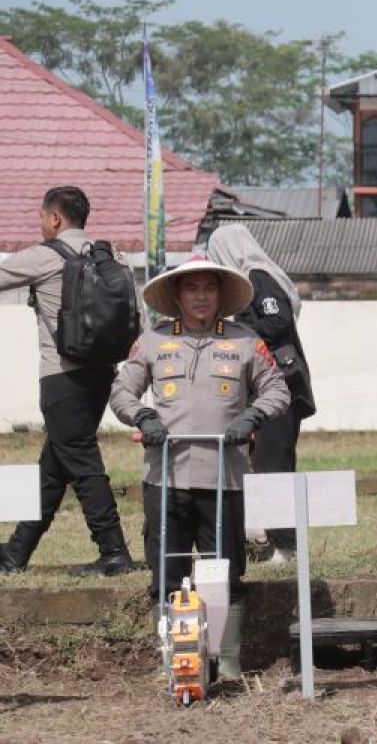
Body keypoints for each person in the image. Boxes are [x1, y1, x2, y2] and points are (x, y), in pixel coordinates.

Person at [110, 257, 290, 678]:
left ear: (221, 296)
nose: (201, 297)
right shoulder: (153, 340)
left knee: (224, 570)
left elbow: (277, 390)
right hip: (165, 477)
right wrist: (143, 417)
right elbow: (121, 391)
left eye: (209, 288)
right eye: (192, 289)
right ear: (177, 296)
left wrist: (253, 417)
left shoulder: (245, 341)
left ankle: (225, 659)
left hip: (224, 478)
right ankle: (172, 657)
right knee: (167, 572)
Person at [0, 186, 135, 576]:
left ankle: (114, 553)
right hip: (101, 375)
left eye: (42, 217)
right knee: (55, 465)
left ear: (55, 218)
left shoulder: (46, 256)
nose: (40, 224)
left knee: (81, 462)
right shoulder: (111, 257)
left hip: (62, 377)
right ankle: (16, 552)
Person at [206, 224, 316, 563]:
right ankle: (263, 538)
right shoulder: (252, 278)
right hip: (265, 390)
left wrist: (231, 333)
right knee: (257, 463)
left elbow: (277, 319)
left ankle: (286, 546)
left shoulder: (258, 277)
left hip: (278, 388)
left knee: (273, 466)